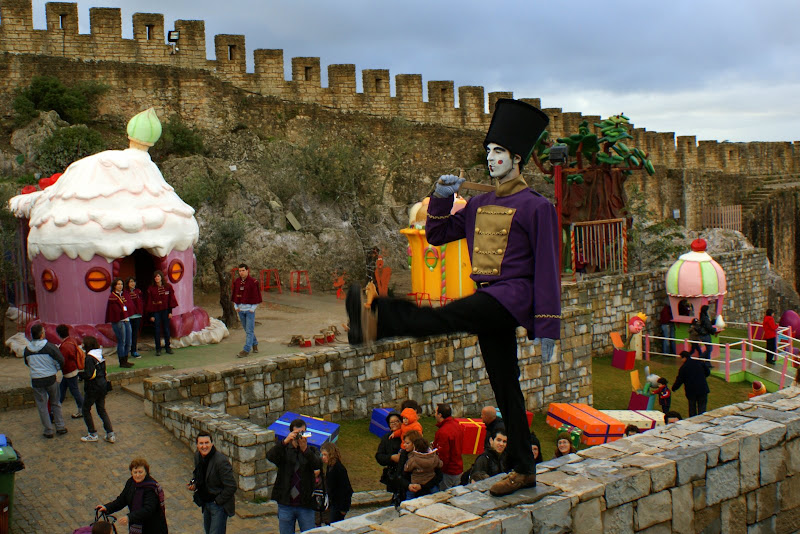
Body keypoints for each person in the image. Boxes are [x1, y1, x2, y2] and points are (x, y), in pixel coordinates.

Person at [346, 99, 557, 497]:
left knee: (443, 317)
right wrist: (441, 197)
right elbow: (439, 234)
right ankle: (524, 468)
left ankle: (377, 318)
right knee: (506, 388)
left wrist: (548, 324)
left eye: (499, 151)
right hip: (488, 296)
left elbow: (548, 267)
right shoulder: (479, 203)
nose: (491, 158)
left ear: (517, 158)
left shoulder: (537, 207)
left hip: (511, 298)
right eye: (488, 151)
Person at [267, 419, 321, 534]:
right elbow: (270, 456)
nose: (300, 436)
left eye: (302, 433)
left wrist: (305, 450)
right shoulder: (284, 450)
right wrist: (285, 442)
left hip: (305, 504)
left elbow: (317, 464)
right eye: (297, 433)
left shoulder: (311, 451)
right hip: (286, 503)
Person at [97, 458, 168, 533]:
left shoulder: (151, 488)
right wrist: (107, 507)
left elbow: (148, 509)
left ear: (146, 472)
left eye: (140, 472)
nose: (137, 475)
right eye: (135, 472)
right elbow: (122, 500)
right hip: (138, 526)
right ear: (131, 473)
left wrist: (129, 517)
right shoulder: (131, 483)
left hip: (152, 527)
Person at [23, 323, 66, 438]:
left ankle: (48, 430)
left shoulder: (27, 350)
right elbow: (61, 360)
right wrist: (56, 369)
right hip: (50, 378)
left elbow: (27, 362)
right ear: (42, 334)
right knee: (55, 402)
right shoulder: (50, 347)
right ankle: (60, 426)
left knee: (42, 406)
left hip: (36, 380)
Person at [189, 431, 236, 534]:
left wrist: (217, 501)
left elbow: (231, 486)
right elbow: (199, 475)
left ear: (212, 443)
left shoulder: (221, 461)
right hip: (206, 503)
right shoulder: (198, 456)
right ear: (197, 445)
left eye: (207, 443)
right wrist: (194, 484)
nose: (204, 446)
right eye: (201, 443)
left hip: (218, 505)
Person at [80, 336, 115, 443]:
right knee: (101, 410)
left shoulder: (89, 358)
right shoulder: (100, 356)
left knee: (85, 409)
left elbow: (89, 375)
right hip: (102, 386)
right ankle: (110, 434)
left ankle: (92, 433)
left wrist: (81, 375)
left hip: (93, 387)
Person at [232, 263, 263, 358]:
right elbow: (235, 295)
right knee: (247, 330)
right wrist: (236, 306)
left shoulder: (253, 282)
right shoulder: (237, 282)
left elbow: (256, 297)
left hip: (249, 311)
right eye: (239, 271)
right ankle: (255, 344)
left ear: (247, 270)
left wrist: (252, 309)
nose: (241, 272)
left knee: (249, 330)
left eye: (243, 270)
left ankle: (246, 350)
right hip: (241, 311)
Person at [56, 324, 84, 419]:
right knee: (63, 390)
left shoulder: (64, 346)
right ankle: (55, 408)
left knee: (74, 391)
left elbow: (62, 360)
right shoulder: (71, 340)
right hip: (72, 370)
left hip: (68, 371)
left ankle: (82, 409)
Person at [146, 270, 177, 356]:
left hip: (166, 311)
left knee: (166, 329)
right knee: (157, 330)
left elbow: (171, 299)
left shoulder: (168, 287)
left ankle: (168, 347)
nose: (157, 278)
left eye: (158, 276)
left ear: (161, 277)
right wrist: (151, 315)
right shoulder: (151, 289)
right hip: (156, 312)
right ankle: (158, 349)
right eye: (155, 277)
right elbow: (149, 302)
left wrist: (170, 312)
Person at [320, 443, 353, 524]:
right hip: (333, 503)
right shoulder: (330, 467)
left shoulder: (339, 468)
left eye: (325, 455)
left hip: (338, 506)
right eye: (322, 454)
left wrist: (344, 509)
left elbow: (347, 489)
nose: (323, 457)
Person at [433, 403, 463, 489]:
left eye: (435, 412)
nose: (434, 414)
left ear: (440, 415)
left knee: (444, 494)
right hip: (458, 468)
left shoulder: (443, 432)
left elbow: (443, 455)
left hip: (448, 472)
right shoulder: (457, 425)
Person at [672, 350, 711, 417]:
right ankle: (702, 420)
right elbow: (707, 372)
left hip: (691, 391)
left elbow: (680, 380)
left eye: (681, 358)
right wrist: (702, 377)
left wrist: (674, 388)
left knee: (692, 408)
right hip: (702, 389)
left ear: (684, 357)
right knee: (702, 408)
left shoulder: (683, 368)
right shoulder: (699, 363)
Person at [403, 435, 442, 500]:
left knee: (409, 497)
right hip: (430, 480)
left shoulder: (413, 459)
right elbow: (440, 464)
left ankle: (407, 504)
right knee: (436, 496)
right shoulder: (434, 457)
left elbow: (407, 469)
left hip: (415, 482)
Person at [106, 278, 134, 368]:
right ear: (114, 286)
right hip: (119, 321)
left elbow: (129, 305)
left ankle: (126, 359)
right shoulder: (112, 296)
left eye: (121, 284)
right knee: (122, 341)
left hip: (126, 320)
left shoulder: (124, 294)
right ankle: (122, 361)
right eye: (118, 284)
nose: (120, 286)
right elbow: (115, 311)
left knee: (129, 341)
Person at [375, 411, 402, 491]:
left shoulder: (407, 436)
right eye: (391, 422)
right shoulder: (386, 438)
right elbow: (379, 456)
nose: (394, 424)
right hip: (392, 475)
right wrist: (391, 457)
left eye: (396, 421)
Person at [125, 277, 145, 359]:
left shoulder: (138, 292)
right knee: (127, 334)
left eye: (134, 282)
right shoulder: (125, 293)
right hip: (129, 316)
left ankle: (134, 350)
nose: (132, 283)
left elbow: (141, 302)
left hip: (137, 315)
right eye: (131, 282)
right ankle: (126, 351)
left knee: (135, 334)